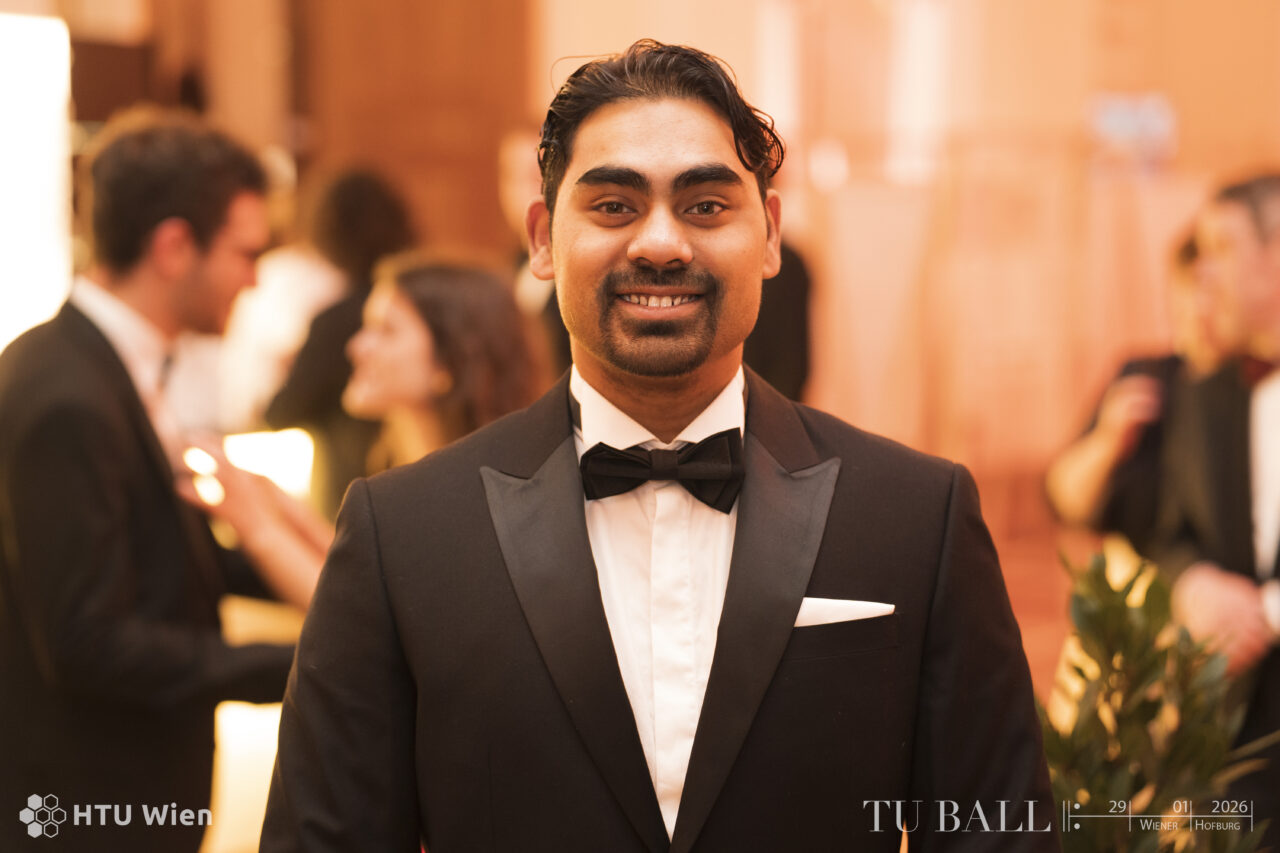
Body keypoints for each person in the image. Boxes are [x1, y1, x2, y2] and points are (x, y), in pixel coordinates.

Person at [260, 40, 1057, 852]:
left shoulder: (915, 515)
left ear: (770, 235)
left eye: (706, 206)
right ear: (542, 239)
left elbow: (1000, 833)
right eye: (614, 206)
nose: (662, 244)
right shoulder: (404, 532)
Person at [0, 108, 296, 853]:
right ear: (172, 247)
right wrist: (303, 664)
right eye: (244, 252)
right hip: (87, 806)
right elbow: (88, 639)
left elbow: (159, 558)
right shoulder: (66, 394)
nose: (255, 277)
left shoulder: (107, 364)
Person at [186, 257, 541, 590]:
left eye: (386, 331)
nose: (356, 347)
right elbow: (368, 575)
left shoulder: (469, 496)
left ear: (448, 362)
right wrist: (276, 505)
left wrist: (259, 530)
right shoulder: (415, 469)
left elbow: (372, 619)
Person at [1152, 173, 1280, 849]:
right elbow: (1172, 532)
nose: (1203, 273)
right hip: (1239, 749)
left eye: (1222, 248)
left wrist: (1266, 611)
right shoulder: (1205, 395)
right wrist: (1193, 583)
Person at [1044, 233, 1236, 548]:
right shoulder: (1148, 377)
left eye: (1214, 291)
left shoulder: (1255, 388)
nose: (1201, 308)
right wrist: (1108, 442)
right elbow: (1063, 501)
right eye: (1190, 289)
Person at [265, 168, 417, 519]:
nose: (359, 348)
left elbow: (282, 411)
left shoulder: (337, 321)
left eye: (387, 331)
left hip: (355, 492)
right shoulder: (411, 303)